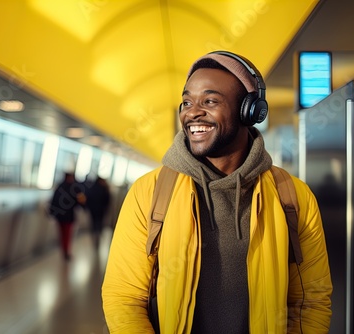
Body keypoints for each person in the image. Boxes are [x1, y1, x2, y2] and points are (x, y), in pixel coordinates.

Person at [101, 51, 332, 333]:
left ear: (250, 111)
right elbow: (124, 297)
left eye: (209, 101)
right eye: (187, 101)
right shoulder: (148, 192)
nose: (192, 111)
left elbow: (310, 301)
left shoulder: (293, 197)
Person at [49, 172, 85, 260]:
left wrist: (53, 213)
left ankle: (64, 251)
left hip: (60, 216)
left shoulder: (59, 187)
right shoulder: (74, 188)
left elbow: (54, 201)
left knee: (63, 234)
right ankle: (66, 251)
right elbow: (79, 202)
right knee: (67, 235)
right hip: (68, 216)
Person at [85, 176, 111, 249]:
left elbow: (88, 198)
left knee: (94, 223)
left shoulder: (92, 188)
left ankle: (94, 235)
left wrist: (88, 207)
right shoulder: (104, 189)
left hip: (93, 210)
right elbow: (107, 200)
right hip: (100, 210)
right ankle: (98, 235)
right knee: (99, 223)